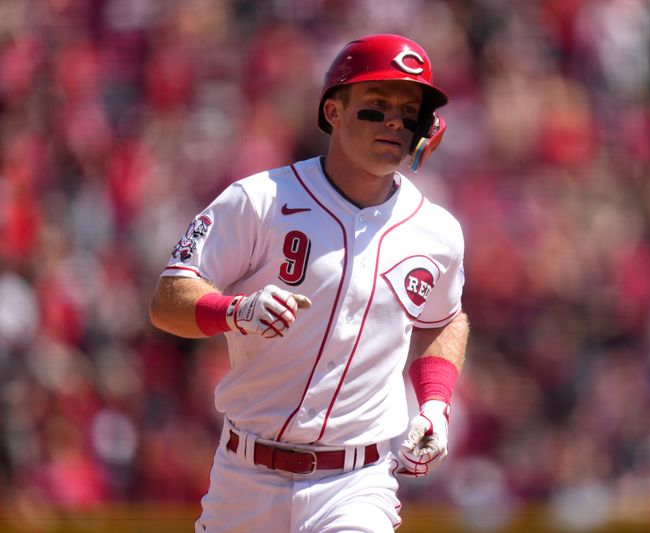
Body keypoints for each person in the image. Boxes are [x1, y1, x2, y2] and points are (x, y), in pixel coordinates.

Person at [149, 33, 469, 532]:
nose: (394, 121)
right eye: (376, 104)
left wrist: (434, 405)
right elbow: (168, 299)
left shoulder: (438, 232)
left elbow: (443, 321)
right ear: (334, 111)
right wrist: (234, 311)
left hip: (356, 481)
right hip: (245, 478)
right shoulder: (261, 199)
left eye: (410, 111)